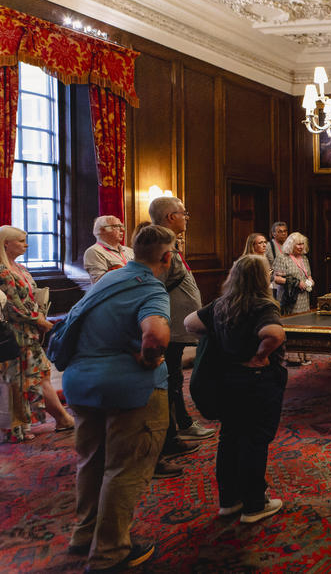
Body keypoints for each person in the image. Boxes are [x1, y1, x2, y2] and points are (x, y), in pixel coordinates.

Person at [61, 224, 175, 571]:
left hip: (80, 385)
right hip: (128, 391)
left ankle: (84, 535)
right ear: (167, 257)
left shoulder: (110, 279)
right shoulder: (151, 287)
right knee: (125, 468)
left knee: (91, 460)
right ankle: (109, 552)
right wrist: (150, 358)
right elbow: (155, 334)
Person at [184, 255, 287, 524]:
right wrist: (259, 355)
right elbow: (275, 334)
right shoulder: (263, 305)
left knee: (230, 438)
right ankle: (254, 505)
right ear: (261, 277)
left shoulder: (222, 304)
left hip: (228, 380)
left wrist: (221, 338)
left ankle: (229, 501)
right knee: (255, 440)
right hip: (257, 380)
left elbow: (190, 323)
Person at [149, 197, 214, 473]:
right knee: (170, 379)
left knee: (174, 377)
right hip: (170, 327)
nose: (187, 217)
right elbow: (158, 285)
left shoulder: (172, 244)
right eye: (182, 213)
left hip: (177, 326)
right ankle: (174, 432)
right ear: (168, 217)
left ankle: (179, 428)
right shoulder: (160, 246)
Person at [0, 226, 74, 443]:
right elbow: (13, 307)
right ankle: (20, 427)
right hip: (16, 333)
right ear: (6, 243)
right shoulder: (3, 271)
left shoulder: (20, 268)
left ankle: (60, 419)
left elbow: (30, 298)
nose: (26, 244)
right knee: (20, 380)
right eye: (21, 241)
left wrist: (41, 316)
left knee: (39, 375)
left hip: (30, 332)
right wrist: (40, 321)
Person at [273, 232, 313, 366]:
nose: (301, 247)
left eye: (302, 244)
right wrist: (296, 283)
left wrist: (310, 281)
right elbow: (277, 279)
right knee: (294, 326)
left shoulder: (304, 258)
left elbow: (308, 275)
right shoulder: (282, 258)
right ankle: (293, 358)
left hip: (303, 297)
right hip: (290, 297)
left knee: (304, 326)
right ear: (291, 245)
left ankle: (304, 355)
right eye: (298, 244)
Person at [83, 216, 134, 283]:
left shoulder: (129, 251)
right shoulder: (93, 252)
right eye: (116, 226)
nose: (122, 229)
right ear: (102, 230)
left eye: (121, 226)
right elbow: (100, 283)